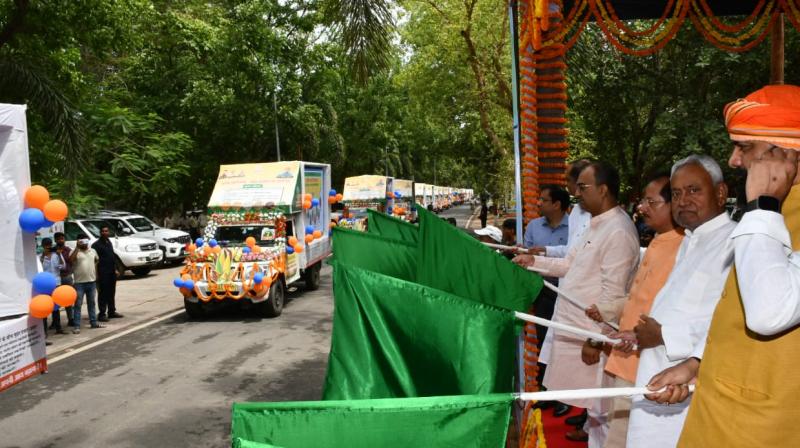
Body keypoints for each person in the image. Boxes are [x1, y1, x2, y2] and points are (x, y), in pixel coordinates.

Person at [646, 85, 800, 447]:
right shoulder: (780, 205)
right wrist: (698, 363)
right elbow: (736, 308)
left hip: (766, 426)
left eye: (744, 147)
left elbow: (768, 313)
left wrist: (762, 205)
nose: (733, 160)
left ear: (788, 150)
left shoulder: (767, 206)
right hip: (722, 407)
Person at [514, 161, 640, 446]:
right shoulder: (597, 223)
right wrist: (533, 261)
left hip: (591, 334)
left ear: (603, 189)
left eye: (583, 187)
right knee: (594, 412)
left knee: (602, 410)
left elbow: (613, 295)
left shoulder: (618, 230)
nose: (577, 194)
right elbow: (571, 264)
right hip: (576, 328)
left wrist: (595, 341)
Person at [622, 155, 735, 447]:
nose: (683, 200)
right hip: (660, 373)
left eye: (694, 190)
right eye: (676, 193)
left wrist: (663, 335)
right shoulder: (690, 240)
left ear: (720, 193)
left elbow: (731, 320)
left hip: (689, 384)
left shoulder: (735, 241)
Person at [600, 173, 684, 448]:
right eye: (643, 201)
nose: (642, 208)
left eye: (651, 202)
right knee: (615, 430)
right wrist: (608, 311)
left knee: (624, 438)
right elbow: (638, 297)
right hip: (626, 358)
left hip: (645, 366)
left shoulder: (683, 247)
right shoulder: (660, 241)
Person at [532, 160, 591, 258]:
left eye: (568, 180)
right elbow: (571, 251)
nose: (577, 193)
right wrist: (546, 250)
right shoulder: (576, 211)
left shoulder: (611, 220)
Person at [70, 234, 104, 333]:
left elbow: (96, 261)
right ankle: (76, 326)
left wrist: (96, 275)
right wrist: (77, 247)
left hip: (91, 282)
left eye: (85, 240)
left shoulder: (93, 251)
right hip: (79, 283)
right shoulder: (75, 251)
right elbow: (71, 260)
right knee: (78, 305)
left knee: (92, 303)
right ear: (78, 241)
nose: (84, 243)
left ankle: (93, 323)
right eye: (81, 241)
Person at [92, 226, 123, 321]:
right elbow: (94, 261)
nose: (105, 232)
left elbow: (112, 257)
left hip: (111, 272)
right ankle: (102, 314)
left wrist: (115, 269)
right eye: (103, 231)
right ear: (100, 233)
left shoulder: (109, 242)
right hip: (102, 273)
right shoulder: (96, 245)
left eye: (106, 231)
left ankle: (111, 311)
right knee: (103, 294)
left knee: (111, 292)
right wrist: (96, 274)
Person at [40, 238, 66, 335]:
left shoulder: (56, 255)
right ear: (43, 246)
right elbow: (39, 269)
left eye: (50, 244)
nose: (48, 246)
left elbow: (64, 266)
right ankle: (44, 332)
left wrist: (59, 254)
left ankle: (58, 328)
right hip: (45, 285)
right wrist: (43, 256)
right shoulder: (40, 257)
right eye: (46, 245)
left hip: (56, 283)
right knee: (46, 307)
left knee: (56, 307)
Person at [53, 232, 75, 329]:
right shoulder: (52, 251)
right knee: (55, 301)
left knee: (68, 299)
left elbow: (71, 262)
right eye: (58, 239)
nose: (60, 240)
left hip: (66, 277)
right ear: (55, 240)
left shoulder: (68, 250)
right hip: (56, 278)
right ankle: (55, 322)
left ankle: (71, 319)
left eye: (62, 238)